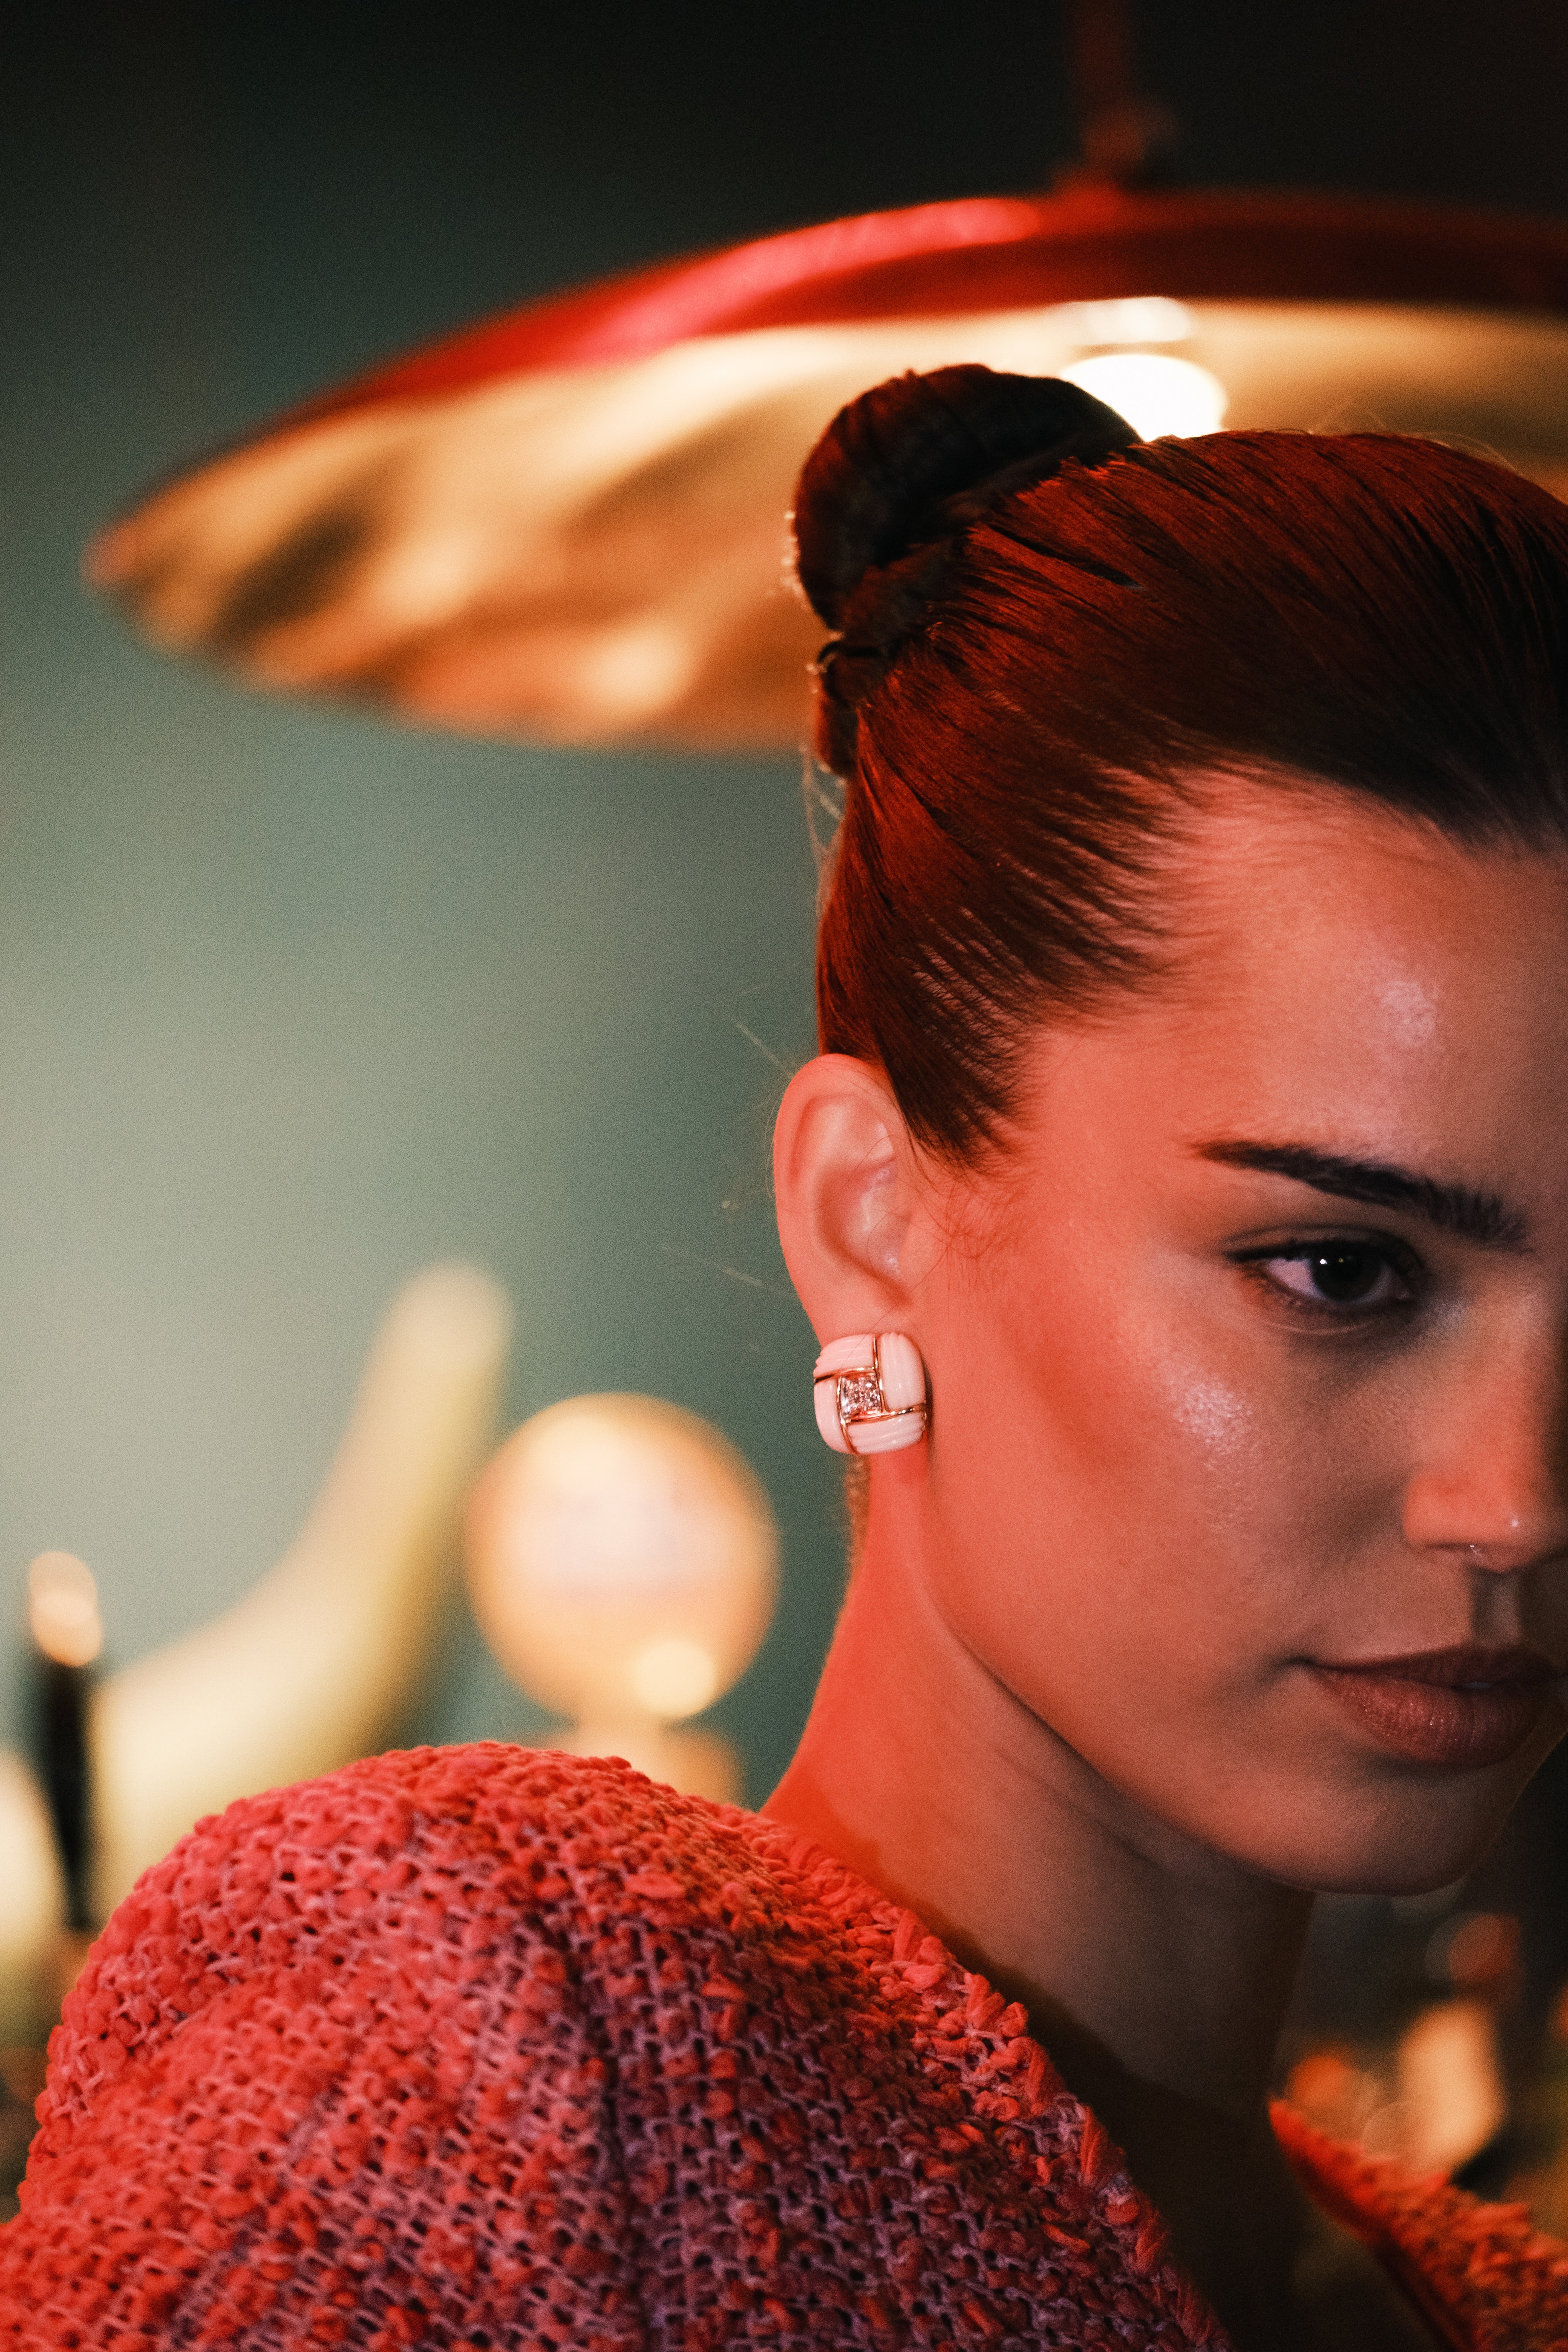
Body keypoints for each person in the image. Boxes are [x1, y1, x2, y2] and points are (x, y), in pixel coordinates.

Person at [6, 366, 1568, 2349]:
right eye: (1343, 1271)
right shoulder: (510, 2041)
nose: (1521, 1497)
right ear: (870, 1220)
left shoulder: (1504, 2305)